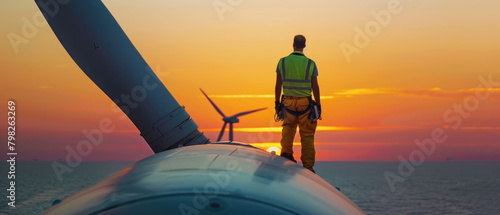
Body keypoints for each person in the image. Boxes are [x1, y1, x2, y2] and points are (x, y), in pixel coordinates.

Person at [275, 35, 321, 173]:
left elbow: (278, 84)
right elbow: (315, 86)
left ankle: (286, 154)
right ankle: (308, 166)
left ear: (293, 44)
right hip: (305, 103)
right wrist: (318, 104)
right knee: (307, 135)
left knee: (288, 129)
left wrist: (277, 102)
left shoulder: (282, 62)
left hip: (288, 102)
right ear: (304, 45)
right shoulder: (310, 63)